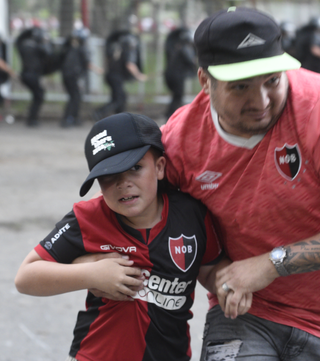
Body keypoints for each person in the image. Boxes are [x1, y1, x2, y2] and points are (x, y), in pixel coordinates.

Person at [158, 7, 320, 360]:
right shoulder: (180, 142)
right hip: (247, 313)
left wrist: (271, 264)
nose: (261, 102)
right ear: (204, 81)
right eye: (240, 87)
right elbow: (175, 228)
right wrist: (218, 277)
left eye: (272, 80)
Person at [14, 112, 251, 361]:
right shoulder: (87, 218)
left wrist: (230, 286)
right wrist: (92, 274)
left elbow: (209, 269)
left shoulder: (191, 214)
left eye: (135, 168)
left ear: (159, 167)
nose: (123, 183)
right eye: (108, 175)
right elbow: (26, 277)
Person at [92, 30, 147, 121]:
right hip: (116, 77)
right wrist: (139, 75)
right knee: (119, 98)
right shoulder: (126, 50)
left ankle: (120, 117)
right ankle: (99, 113)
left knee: (119, 97)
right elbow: (130, 64)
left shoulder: (116, 48)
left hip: (111, 76)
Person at [59, 27, 102, 128]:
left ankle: (74, 118)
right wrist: (98, 70)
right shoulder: (81, 49)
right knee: (75, 97)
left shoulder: (70, 48)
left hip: (67, 75)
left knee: (75, 97)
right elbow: (88, 63)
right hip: (73, 76)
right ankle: (68, 118)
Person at [16, 27, 52, 127]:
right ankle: (32, 119)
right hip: (31, 75)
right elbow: (49, 53)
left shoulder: (25, 46)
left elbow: (18, 39)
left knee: (38, 95)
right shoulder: (38, 48)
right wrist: (46, 41)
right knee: (39, 95)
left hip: (25, 75)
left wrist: (29, 30)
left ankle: (32, 118)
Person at [163, 27, 198, 120]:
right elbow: (191, 60)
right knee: (178, 96)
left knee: (176, 95)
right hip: (177, 76)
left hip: (170, 74)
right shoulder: (185, 47)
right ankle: (171, 115)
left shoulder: (177, 47)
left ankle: (170, 114)